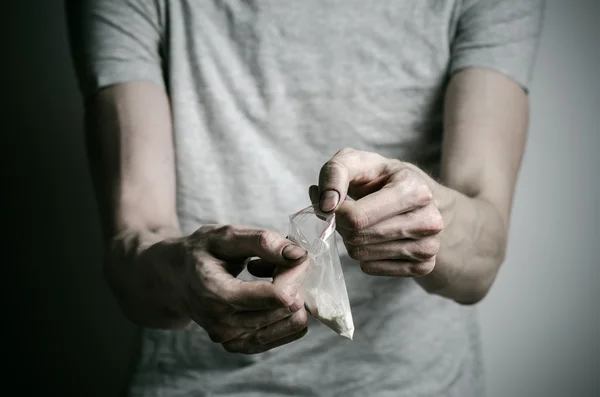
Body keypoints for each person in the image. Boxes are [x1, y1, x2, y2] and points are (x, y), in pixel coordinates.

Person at [66, 0, 544, 396]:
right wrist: (181, 272)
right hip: (198, 383)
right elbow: (133, 247)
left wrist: (428, 213)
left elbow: (481, 262)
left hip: (417, 384)